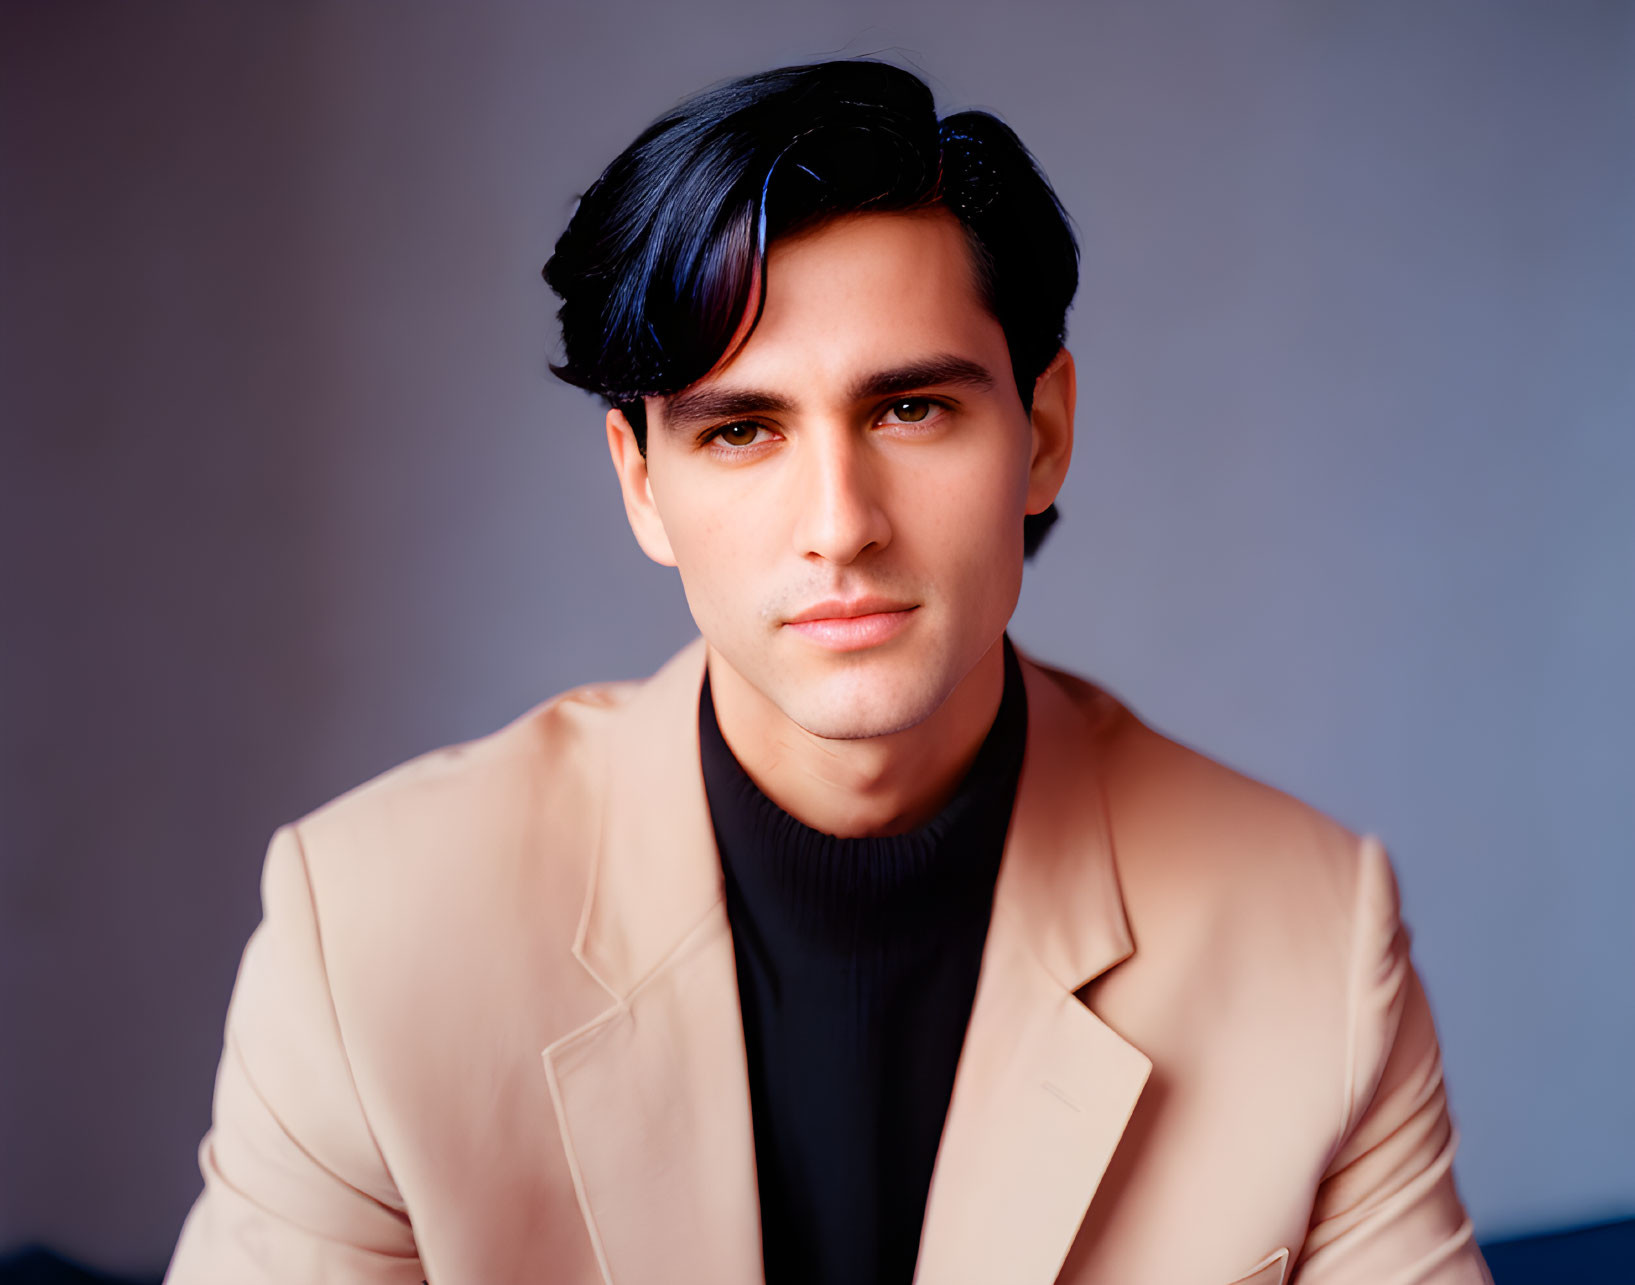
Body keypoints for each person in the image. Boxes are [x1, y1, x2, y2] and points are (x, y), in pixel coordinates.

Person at [166, 59, 1490, 1285]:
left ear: (1043, 434)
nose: (841, 522)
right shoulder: (373, 933)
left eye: (911, 408)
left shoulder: (1315, 945)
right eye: (741, 429)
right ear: (641, 484)